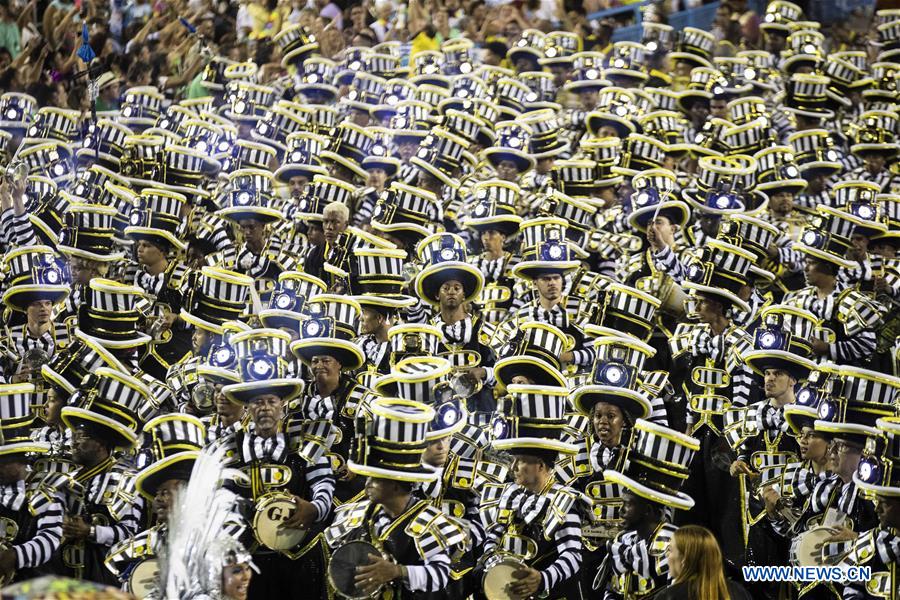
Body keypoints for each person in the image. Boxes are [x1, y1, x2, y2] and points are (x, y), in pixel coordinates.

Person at [657, 525, 751, 600]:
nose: (666, 555)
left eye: (670, 550)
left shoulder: (667, 596)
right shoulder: (739, 592)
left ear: (684, 558)